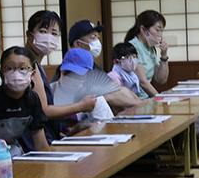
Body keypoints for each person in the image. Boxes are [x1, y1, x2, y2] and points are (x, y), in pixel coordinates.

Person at [23, 10, 97, 146]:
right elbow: (43, 111)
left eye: (54, 33)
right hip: (33, 140)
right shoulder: (27, 63)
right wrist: (81, 106)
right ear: (29, 34)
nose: (49, 37)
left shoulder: (37, 65)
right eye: (43, 31)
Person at [54, 19, 141, 111]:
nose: (97, 41)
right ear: (78, 43)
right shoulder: (70, 68)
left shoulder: (94, 67)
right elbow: (108, 96)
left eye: (97, 37)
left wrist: (143, 105)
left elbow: (115, 89)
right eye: (93, 37)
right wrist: (141, 104)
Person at [0, 46, 49, 156]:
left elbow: (40, 143)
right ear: (1, 74)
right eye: (9, 68)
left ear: (33, 74)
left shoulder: (33, 100)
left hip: (15, 154)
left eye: (23, 68)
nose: (16, 74)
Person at [52, 48, 115, 123]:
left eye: (78, 74)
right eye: (68, 72)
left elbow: (107, 125)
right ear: (60, 71)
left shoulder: (94, 96)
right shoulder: (49, 91)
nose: (71, 78)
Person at [124, 10, 169, 98]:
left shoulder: (151, 48)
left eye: (161, 31)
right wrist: (160, 98)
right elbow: (142, 82)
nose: (160, 34)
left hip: (146, 98)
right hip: (135, 99)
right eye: (157, 30)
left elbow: (161, 79)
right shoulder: (133, 47)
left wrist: (164, 56)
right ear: (143, 29)